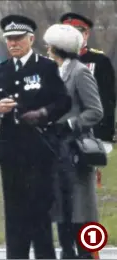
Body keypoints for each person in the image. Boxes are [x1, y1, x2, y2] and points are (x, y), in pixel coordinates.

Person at [0, 15, 71, 259]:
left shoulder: (46, 67)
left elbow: (63, 101)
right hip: (11, 152)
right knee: (15, 214)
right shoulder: (2, 70)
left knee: (40, 212)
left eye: (18, 38)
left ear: (31, 39)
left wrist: (43, 113)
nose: (13, 43)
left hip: (39, 150)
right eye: (9, 39)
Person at [44, 24, 104, 259]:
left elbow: (95, 111)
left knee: (80, 211)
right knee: (61, 210)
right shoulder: (54, 73)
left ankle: (85, 255)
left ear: (57, 48)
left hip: (75, 149)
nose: (46, 49)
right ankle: (67, 253)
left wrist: (71, 123)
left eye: (49, 46)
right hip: (55, 148)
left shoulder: (80, 72)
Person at [60, 12, 116, 148]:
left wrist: (104, 130)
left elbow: (108, 97)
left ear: (86, 34)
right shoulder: (55, 62)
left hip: (92, 128)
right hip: (62, 129)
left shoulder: (99, 60)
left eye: (77, 32)